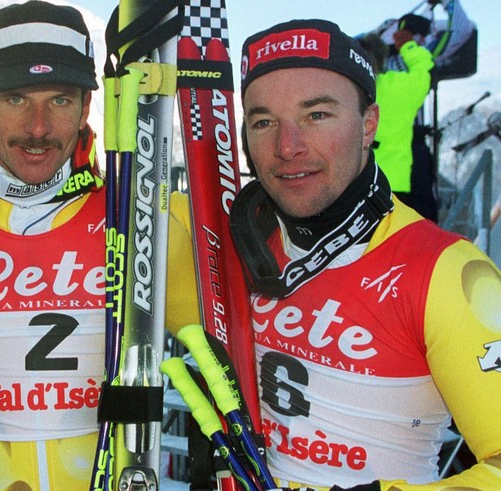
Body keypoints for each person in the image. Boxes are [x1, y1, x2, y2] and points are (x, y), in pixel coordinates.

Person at [0, 1, 197, 489]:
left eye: (59, 100)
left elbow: (251, 329)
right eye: (15, 98)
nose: (38, 127)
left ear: (84, 108)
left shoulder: (144, 222)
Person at [209, 18, 501, 489]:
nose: (287, 147)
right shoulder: (222, 245)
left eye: (317, 115)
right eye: (264, 122)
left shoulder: (446, 270)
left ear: (369, 123)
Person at [362, 20, 436, 222]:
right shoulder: (401, 86)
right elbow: (424, 68)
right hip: (396, 183)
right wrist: (407, 45)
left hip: (353, 184)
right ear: (383, 57)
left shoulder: (346, 89)